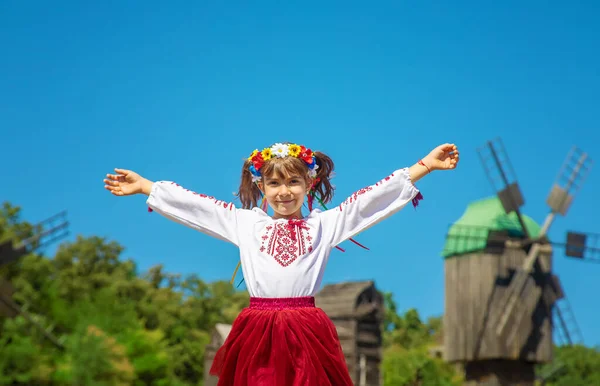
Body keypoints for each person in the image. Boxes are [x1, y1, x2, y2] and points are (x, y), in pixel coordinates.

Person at [103, 142, 459, 386]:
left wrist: (424, 166)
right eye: (274, 183)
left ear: (309, 183)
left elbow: (366, 202)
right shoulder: (245, 223)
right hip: (258, 329)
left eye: (293, 182)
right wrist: (146, 186)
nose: (283, 191)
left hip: (307, 328)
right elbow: (198, 207)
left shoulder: (324, 224)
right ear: (261, 185)